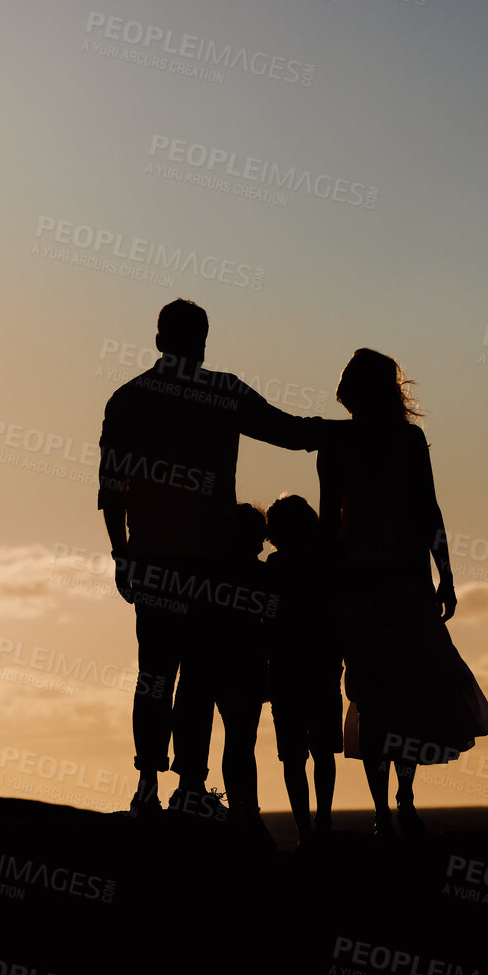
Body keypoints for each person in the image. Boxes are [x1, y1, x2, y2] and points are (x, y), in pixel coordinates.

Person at [98, 299, 325, 815]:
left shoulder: (128, 399)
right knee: (195, 678)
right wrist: (346, 430)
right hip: (208, 562)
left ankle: (152, 787)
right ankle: (186, 787)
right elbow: (289, 432)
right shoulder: (220, 392)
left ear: (159, 341)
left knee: (156, 674)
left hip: (156, 558)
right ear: (201, 342)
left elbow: (112, 489)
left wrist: (121, 552)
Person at [317, 349, 488, 836]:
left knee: (386, 696)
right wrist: (446, 576)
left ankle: (394, 802)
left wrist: (446, 575)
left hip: (379, 585)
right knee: (391, 694)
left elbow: (333, 521)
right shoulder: (393, 440)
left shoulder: (357, 441)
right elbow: (424, 512)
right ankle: (393, 803)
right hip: (384, 585)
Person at [170, 503, 275, 844]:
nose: (262, 545)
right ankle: (243, 811)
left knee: (205, 728)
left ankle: (198, 794)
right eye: (259, 538)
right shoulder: (258, 575)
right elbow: (272, 624)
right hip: (240, 664)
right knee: (239, 741)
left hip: (212, 660)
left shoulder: (201, 571)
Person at [264, 494, 343, 846]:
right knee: (315, 753)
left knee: (297, 756)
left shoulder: (275, 570)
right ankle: (317, 826)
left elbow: (265, 622)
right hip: (314, 667)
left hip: (291, 669)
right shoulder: (323, 566)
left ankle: (309, 830)